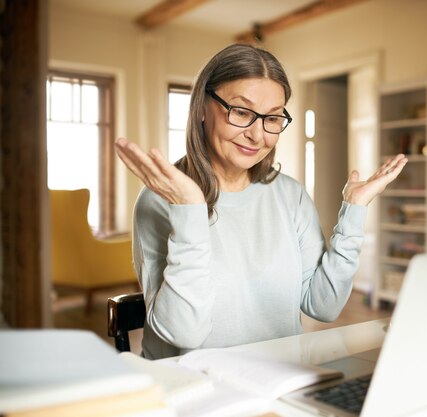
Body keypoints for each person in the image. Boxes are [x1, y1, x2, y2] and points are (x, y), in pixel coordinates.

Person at [115, 43, 407, 360]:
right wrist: (189, 211)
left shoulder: (290, 195)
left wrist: (354, 209)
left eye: (272, 118)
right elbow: (185, 334)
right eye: (241, 112)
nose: (258, 136)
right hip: (192, 391)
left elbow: (324, 306)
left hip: (280, 380)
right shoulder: (162, 199)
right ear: (201, 106)